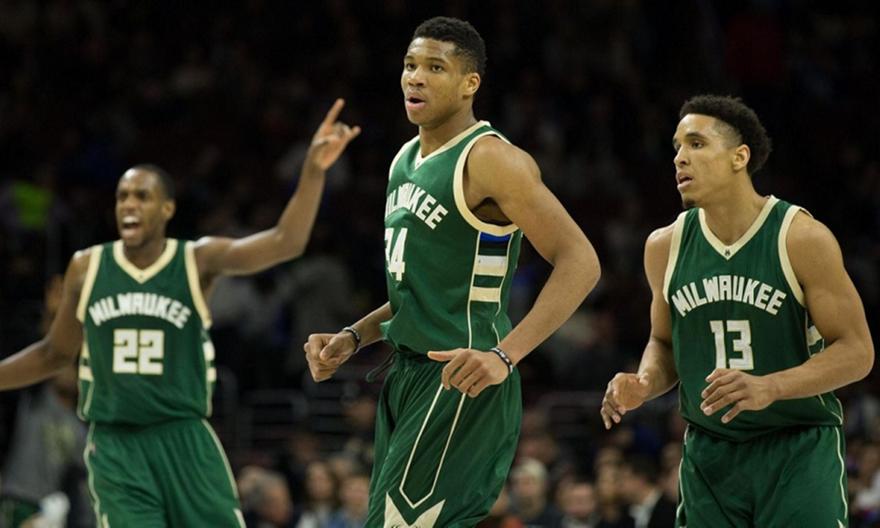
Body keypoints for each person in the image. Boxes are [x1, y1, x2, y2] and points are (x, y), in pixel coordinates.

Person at [0, 99, 360, 527]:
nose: (129, 205)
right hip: (116, 444)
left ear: (167, 209)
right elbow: (53, 354)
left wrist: (313, 172)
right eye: (122, 197)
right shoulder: (87, 267)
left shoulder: (195, 259)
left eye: (142, 196)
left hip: (183, 436)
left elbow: (286, 242)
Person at [304, 16, 600, 527]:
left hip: (459, 377)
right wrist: (354, 337)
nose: (415, 77)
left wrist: (505, 355)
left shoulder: (491, 159)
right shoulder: (404, 160)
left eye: (435, 67)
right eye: (410, 65)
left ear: (470, 83)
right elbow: (419, 294)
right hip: (407, 376)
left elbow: (582, 262)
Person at [601, 94, 874, 526]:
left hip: (796, 447)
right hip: (710, 454)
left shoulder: (801, 238)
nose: (679, 158)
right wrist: (645, 382)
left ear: (739, 157)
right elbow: (664, 342)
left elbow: (857, 352)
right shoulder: (664, 246)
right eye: (677, 147)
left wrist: (771, 386)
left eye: (696, 144)